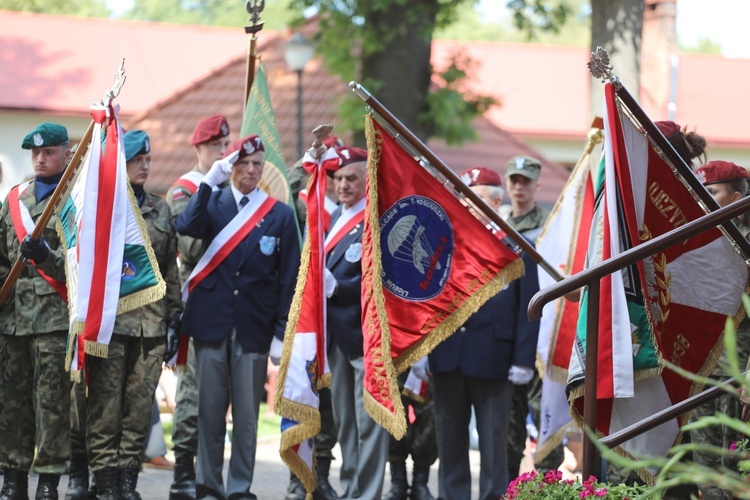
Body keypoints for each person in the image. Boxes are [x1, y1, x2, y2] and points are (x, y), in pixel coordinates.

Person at [175, 134, 300, 500]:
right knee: (210, 413)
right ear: (230, 168)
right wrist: (207, 184)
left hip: (255, 329)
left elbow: (289, 278)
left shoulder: (279, 214)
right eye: (242, 164)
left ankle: (240, 488)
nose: (249, 170)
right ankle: (208, 485)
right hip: (212, 324)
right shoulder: (212, 202)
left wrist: (280, 333)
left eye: (256, 164)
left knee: (246, 417)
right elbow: (185, 226)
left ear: (263, 169)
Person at [80, 130, 182, 500]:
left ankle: (127, 483)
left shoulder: (160, 209)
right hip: (110, 325)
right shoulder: (104, 211)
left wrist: (175, 319)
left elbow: (169, 271)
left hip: (151, 327)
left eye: (148, 159)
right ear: (121, 165)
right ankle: (105, 484)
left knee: (138, 412)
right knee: (106, 410)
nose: (146, 166)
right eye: (138, 160)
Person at [429, 166, 540, 500]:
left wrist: (523, 358)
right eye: (464, 197)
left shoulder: (515, 247)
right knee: (449, 439)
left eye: (475, 199)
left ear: (494, 201)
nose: (466, 205)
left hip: (495, 356)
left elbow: (529, 309)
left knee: (494, 443)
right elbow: (428, 298)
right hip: (447, 353)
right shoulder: (443, 244)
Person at [0, 123, 72, 499]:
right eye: (35, 154)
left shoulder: (75, 201)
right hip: (12, 322)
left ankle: (48, 480)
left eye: (48, 152)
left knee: (51, 406)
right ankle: (12, 478)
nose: (40, 159)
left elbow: (83, 266)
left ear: (66, 153)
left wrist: (48, 257)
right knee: (11, 404)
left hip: (53, 321)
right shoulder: (14, 199)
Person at [166, 114, 232, 500]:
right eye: (214, 147)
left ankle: (210, 473)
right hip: (195, 300)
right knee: (191, 395)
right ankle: (182, 474)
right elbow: (188, 245)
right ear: (198, 149)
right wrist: (212, 194)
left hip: (227, 304)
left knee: (219, 398)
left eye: (225, 146)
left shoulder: (234, 187)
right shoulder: (184, 191)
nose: (221, 152)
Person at [324, 146, 389, 499]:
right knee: (346, 424)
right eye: (338, 178)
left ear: (367, 180)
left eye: (351, 178)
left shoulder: (375, 221)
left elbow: (379, 280)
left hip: (367, 338)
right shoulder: (336, 219)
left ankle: (367, 495)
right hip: (337, 337)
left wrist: (338, 288)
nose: (343, 185)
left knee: (369, 424)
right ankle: (351, 489)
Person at [690, 160, 750, 500]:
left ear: (737, 196)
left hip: (739, 365)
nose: (702, 200)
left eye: (711, 193)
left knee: (734, 457)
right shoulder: (703, 237)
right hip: (707, 359)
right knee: (704, 459)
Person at [286, 140, 342, 500]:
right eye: (330, 175)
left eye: (338, 174)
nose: (335, 182)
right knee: (304, 397)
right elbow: (292, 189)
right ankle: (298, 478)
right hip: (307, 323)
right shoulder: (307, 208)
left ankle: (320, 476)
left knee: (332, 411)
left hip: (338, 325)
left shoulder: (350, 214)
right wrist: (311, 162)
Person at [501, 156, 557, 478]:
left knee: (544, 416)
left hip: (542, 334)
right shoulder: (499, 222)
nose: (519, 187)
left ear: (537, 186)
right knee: (509, 422)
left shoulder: (549, 225)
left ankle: (548, 486)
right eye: (514, 180)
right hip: (507, 333)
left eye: (526, 181)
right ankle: (509, 484)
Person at [381, 358, 438, 500]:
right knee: (393, 412)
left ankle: (420, 482)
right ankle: (398, 482)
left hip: (426, 347)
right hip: (394, 349)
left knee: (431, 416)